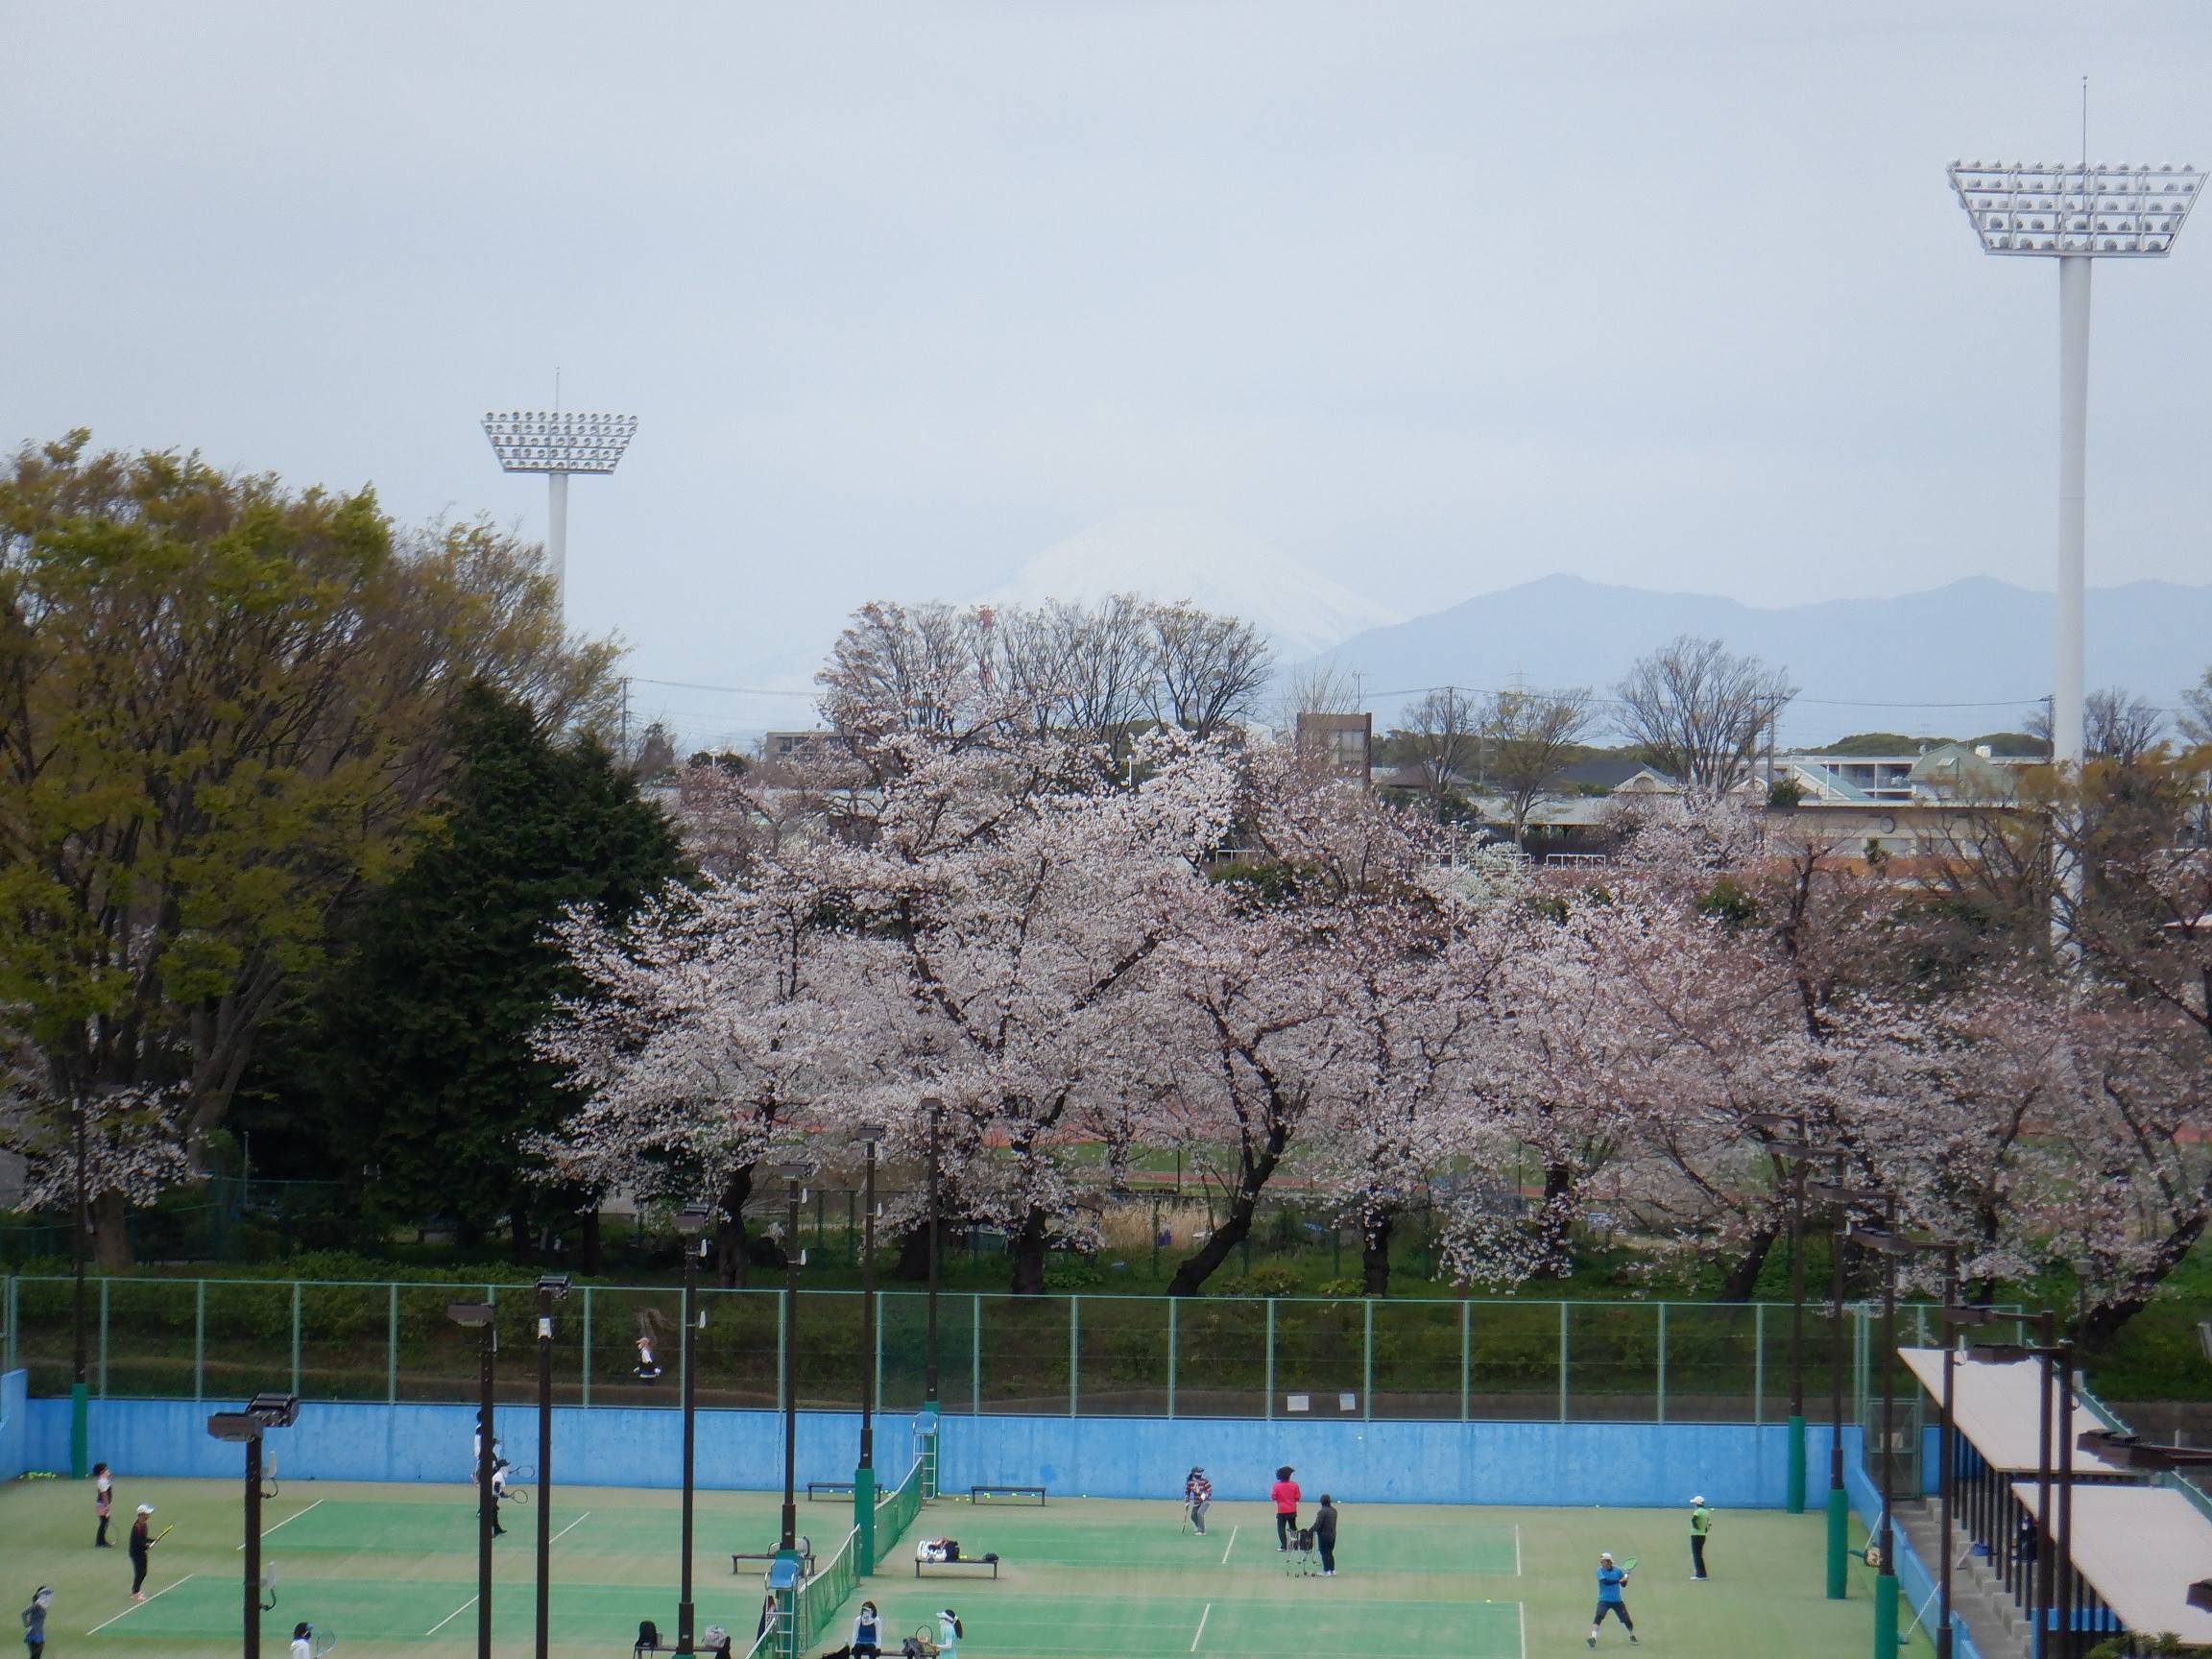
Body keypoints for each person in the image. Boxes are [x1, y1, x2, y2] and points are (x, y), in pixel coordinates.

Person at [1588, 1551, 1636, 1647]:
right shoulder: (1599, 1571)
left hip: (1617, 1601)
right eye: (1601, 1561)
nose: (1601, 1563)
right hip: (1604, 1600)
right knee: (1599, 1616)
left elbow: (1623, 1585)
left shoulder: (1618, 1571)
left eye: (1603, 1561)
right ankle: (1593, 1638)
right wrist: (1619, 1580)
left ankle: (1631, 1635)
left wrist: (1626, 1577)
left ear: (1608, 1561)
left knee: (1627, 1620)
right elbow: (1605, 1582)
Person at [128, 1503, 156, 1600]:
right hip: (136, 1553)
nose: (149, 1515)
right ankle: (135, 1592)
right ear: (141, 1514)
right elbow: (138, 1542)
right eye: (147, 1513)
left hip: (141, 1552)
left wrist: (152, 1540)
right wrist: (147, 1546)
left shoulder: (144, 1525)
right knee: (139, 1572)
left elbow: (144, 1538)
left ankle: (137, 1590)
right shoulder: (137, 1527)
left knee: (144, 1572)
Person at [1271, 1465, 1301, 1551]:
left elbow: (1273, 1497)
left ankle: (1284, 1546)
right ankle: (1294, 1545)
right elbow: (1298, 1497)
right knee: (1293, 1527)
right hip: (1292, 1510)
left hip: (1281, 1511)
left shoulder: (1276, 1486)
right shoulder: (1295, 1485)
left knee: (1281, 1528)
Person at [21, 1586, 52, 1659]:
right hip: (34, 1635)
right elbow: (24, 1613)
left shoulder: (41, 1606)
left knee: (36, 1656)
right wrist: (27, 1625)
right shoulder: (36, 1606)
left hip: (39, 1635)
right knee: (35, 1656)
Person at [1690, 1495, 1715, 1579]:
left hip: (1695, 1535)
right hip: (1702, 1536)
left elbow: (1693, 1520)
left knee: (1696, 1555)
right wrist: (1704, 1531)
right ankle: (1702, 1573)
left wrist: (1696, 1528)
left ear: (1697, 1503)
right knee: (1699, 1555)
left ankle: (1700, 1575)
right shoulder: (1706, 1512)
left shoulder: (1698, 1511)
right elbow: (1709, 1525)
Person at [1312, 1494, 1338, 1576]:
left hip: (1324, 1536)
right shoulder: (1334, 1511)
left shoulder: (1322, 1512)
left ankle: (1327, 1570)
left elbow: (1318, 1524)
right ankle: (1332, 1570)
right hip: (1333, 1535)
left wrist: (1310, 1531)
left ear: (1321, 1502)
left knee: (1324, 1552)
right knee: (1329, 1552)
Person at [1184, 1467, 1213, 1535]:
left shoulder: (1205, 1480)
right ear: (1194, 1473)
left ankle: (1202, 1531)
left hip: (1206, 1500)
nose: (1200, 1474)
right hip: (1197, 1502)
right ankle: (1200, 1526)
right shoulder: (1190, 1482)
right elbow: (1187, 1492)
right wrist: (1187, 1501)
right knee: (1193, 1516)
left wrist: (1202, 1495)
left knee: (1200, 1513)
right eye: (1198, 1472)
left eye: (1200, 1472)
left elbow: (1209, 1490)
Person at [93, 1460, 114, 1547]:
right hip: (103, 1505)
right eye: (106, 1469)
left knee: (105, 1523)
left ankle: (102, 1541)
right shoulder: (102, 1481)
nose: (108, 1471)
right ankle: (99, 1542)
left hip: (103, 1505)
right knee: (103, 1524)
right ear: (102, 1472)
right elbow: (104, 1494)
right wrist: (106, 1506)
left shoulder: (104, 1480)